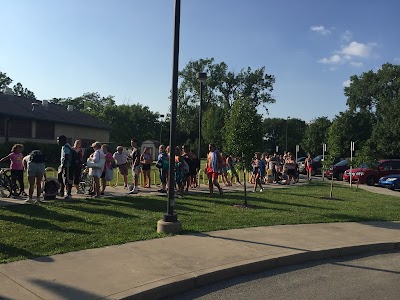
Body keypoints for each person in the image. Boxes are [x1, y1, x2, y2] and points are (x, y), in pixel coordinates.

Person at [57, 135, 74, 200]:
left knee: (67, 179)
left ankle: (68, 193)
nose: (58, 141)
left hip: (67, 166)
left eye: (59, 140)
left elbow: (66, 158)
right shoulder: (65, 146)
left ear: (63, 140)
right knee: (61, 178)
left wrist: (62, 167)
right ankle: (62, 190)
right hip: (64, 165)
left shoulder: (66, 147)